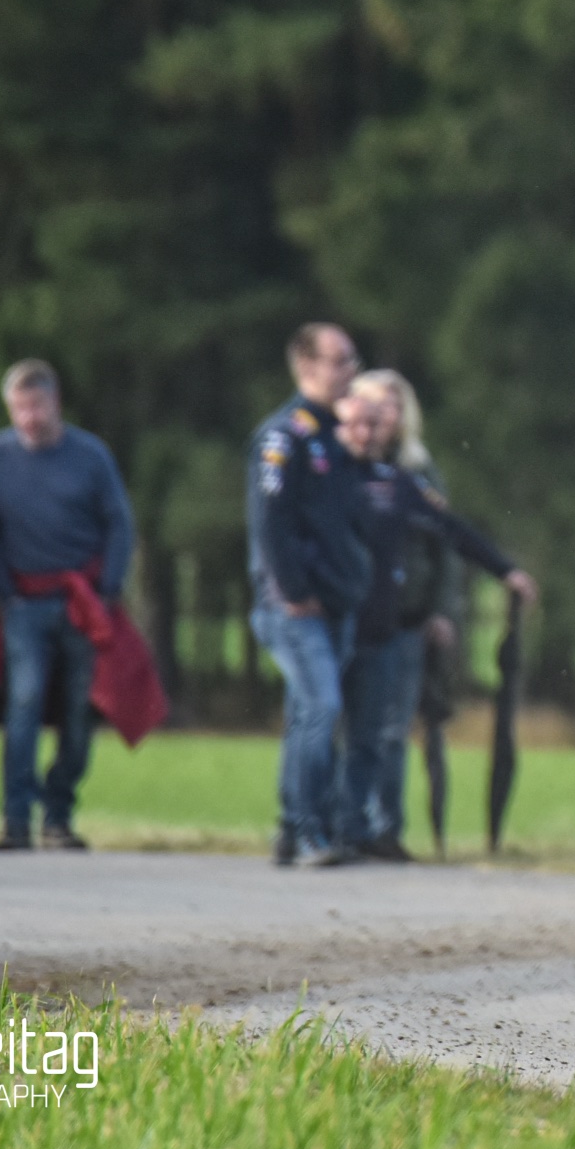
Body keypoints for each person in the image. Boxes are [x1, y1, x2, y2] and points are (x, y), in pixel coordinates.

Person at [333, 373, 534, 861]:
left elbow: (448, 533)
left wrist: (502, 571)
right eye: (369, 415)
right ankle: (323, 824)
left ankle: (376, 829)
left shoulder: (401, 481)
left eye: (389, 412)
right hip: (339, 618)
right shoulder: (328, 473)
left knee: (384, 731)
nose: (378, 424)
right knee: (334, 724)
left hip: (397, 621)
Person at [0, 360, 137, 852]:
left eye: (36, 406)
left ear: (55, 402)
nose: (29, 418)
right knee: (23, 703)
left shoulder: (90, 456)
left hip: (81, 601)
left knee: (81, 709)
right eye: (19, 409)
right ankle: (16, 817)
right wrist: (5, 590)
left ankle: (59, 812)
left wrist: (108, 587)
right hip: (25, 603)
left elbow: (118, 523)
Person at [249, 323, 371, 869]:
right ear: (306, 367)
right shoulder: (286, 436)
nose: (351, 370)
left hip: (334, 600)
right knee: (322, 707)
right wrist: (293, 590)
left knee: (307, 715)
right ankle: (307, 831)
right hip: (296, 606)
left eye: (352, 360)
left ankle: (291, 828)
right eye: (339, 360)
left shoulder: (334, 436)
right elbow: (270, 522)